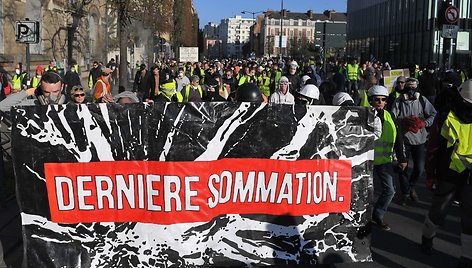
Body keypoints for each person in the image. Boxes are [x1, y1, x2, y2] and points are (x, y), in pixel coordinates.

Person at [421, 79, 472, 267]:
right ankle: (427, 238)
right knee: (438, 212)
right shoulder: (445, 117)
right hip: (449, 173)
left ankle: (467, 256)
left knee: (469, 217)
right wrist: (430, 174)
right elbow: (434, 148)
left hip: (468, 175)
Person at [391, 77, 437, 205]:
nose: (411, 91)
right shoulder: (399, 101)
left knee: (419, 168)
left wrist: (423, 123)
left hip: (419, 140)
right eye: (408, 88)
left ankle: (411, 186)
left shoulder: (422, 100)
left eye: (413, 88)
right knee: (403, 168)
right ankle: (405, 193)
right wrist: (402, 121)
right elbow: (392, 118)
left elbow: (434, 114)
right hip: (404, 140)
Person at [368, 85, 408, 231]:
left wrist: (402, 158)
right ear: (370, 100)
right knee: (362, 192)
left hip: (385, 161)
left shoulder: (391, 116)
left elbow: (398, 139)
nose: (380, 102)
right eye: (376, 99)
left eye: (383, 99)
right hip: (368, 161)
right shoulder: (364, 115)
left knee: (390, 190)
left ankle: (378, 215)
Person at [0, 71, 66, 112]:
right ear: (41, 89)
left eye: (55, 92)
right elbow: (2, 106)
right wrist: (27, 92)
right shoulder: (33, 105)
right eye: (47, 92)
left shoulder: (71, 106)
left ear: (62, 87)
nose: (51, 96)